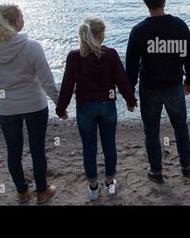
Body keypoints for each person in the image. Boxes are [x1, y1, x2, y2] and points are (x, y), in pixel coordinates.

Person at [0, 4, 58, 204]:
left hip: (7, 109)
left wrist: (1, 102)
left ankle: (22, 191)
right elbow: (46, 80)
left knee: (13, 151)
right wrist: (59, 104)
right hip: (35, 105)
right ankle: (42, 191)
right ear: (16, 22)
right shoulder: (31, 46)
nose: (24, 19)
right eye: (22, 16)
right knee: (37, 149)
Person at [56, 16, 137, 201]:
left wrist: (61, 109)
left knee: (89, 148)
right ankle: (109, 183)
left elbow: (67, 86)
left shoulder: (74, 57)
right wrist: (130, 101)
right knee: (109, 144)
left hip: (85, 108)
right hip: (107, 106)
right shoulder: (112, 55)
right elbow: (123, 81)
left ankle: (93, 187)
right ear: (101, 35)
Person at [126, 0, 190, 183]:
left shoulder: (138, 31)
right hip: (174, 86)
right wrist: (189, 81)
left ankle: (156, 171)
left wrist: (130, 94)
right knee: (180, 126)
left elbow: (130, 66)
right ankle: (186, 168)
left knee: (151, 130)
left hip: (150, 89)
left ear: (145, 3)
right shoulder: (180, 26)